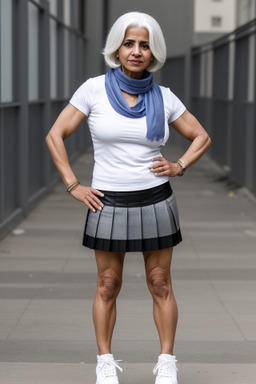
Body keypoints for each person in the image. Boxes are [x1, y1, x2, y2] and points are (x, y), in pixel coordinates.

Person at [46, 11, 211, 384]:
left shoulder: (165, 98)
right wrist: (74, 184)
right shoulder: (92, 90)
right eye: (129, 43)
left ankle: (166, 361)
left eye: (144, 45)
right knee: (107, 283)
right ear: (117, 48)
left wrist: (179, 165)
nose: (136, 51)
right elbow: (55, 135)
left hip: (156, 200)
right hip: (107, 202)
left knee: (160, 282)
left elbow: (200, 136)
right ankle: (105, 361)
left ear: (153, 53)